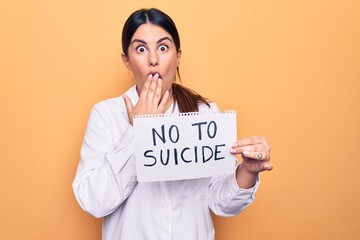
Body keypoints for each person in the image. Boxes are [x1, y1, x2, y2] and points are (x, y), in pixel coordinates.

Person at [72, 8, 273, 240]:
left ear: (177, 55)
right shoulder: (106, 115)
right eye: (140, 49)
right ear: (126, 60)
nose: (153, 59)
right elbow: (93, 201)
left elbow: (222, 203)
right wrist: (138, 133)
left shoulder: (205, 113)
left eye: (163, 47)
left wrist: (247, 171)